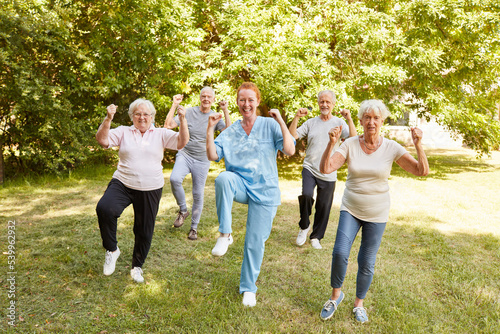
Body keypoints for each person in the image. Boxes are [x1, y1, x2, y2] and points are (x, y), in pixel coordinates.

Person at [318, 99, 429, 323]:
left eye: (376, 118)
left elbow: (420, 170)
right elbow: (326, 168)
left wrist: (418, 144)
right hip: (351, 207)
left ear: (382, 121)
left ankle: (359, 304)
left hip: (377, 213)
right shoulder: (349, 144)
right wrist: (331, 143)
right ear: (360, 121)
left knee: (367, 261)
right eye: (367, 118)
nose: (371, 122)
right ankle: (335, 296)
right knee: (340, 252)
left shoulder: (391, 148)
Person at [206, 82, 295, 307]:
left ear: (257, 102)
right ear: (237, 102)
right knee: (223, 178)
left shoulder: (268, 124)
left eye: (250, 100)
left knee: (254, 242)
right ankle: (225, 234)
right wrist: (209, 129)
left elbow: (290, 149)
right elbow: (213, 155)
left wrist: (281, 121)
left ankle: (248, 288)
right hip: (241, 185)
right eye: (242, 100)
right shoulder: (231, 130)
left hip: (265, 190)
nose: (246, 104)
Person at [95, 99, 189, 283]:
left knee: (144, 230)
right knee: (105, 208)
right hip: (122, 182)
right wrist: (108, 118)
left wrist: (183, 119)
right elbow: (102, 139)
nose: (142, 117)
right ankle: (112, 250)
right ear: (132, 116)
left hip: (150, 187)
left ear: (152, 117)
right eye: (137, 114)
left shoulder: (160, 133)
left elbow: (181, 142)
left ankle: (137, 267)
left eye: (146, 114)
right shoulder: (123, 131)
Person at [289, 90, 357, 250]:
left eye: (328, 102)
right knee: (306, 195)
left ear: (333, 104)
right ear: (318, 103)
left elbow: (353, 139)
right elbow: (293, 136)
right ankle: (304, 226)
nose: (324, 105)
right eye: (321, 102)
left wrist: (349, 119)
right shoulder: (311, 122)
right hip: (310, 167)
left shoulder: (340, 122)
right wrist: (297, 117)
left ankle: (316, 237)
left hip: (329, 170)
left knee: (323, 206)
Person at [164, 87, 231, 240]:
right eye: (203, 96)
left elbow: (229, 131)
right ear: (200, 97)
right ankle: (183, 210)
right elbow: (168, 125)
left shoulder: (215, 116)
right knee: (174, 179)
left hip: (203, 159)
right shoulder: (189, 112)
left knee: (198, 193)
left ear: (213, 99)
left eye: (209, 97)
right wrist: (174, 105)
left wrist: (225, 111)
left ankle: (194, 228)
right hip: (185, 154)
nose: (206, 99)